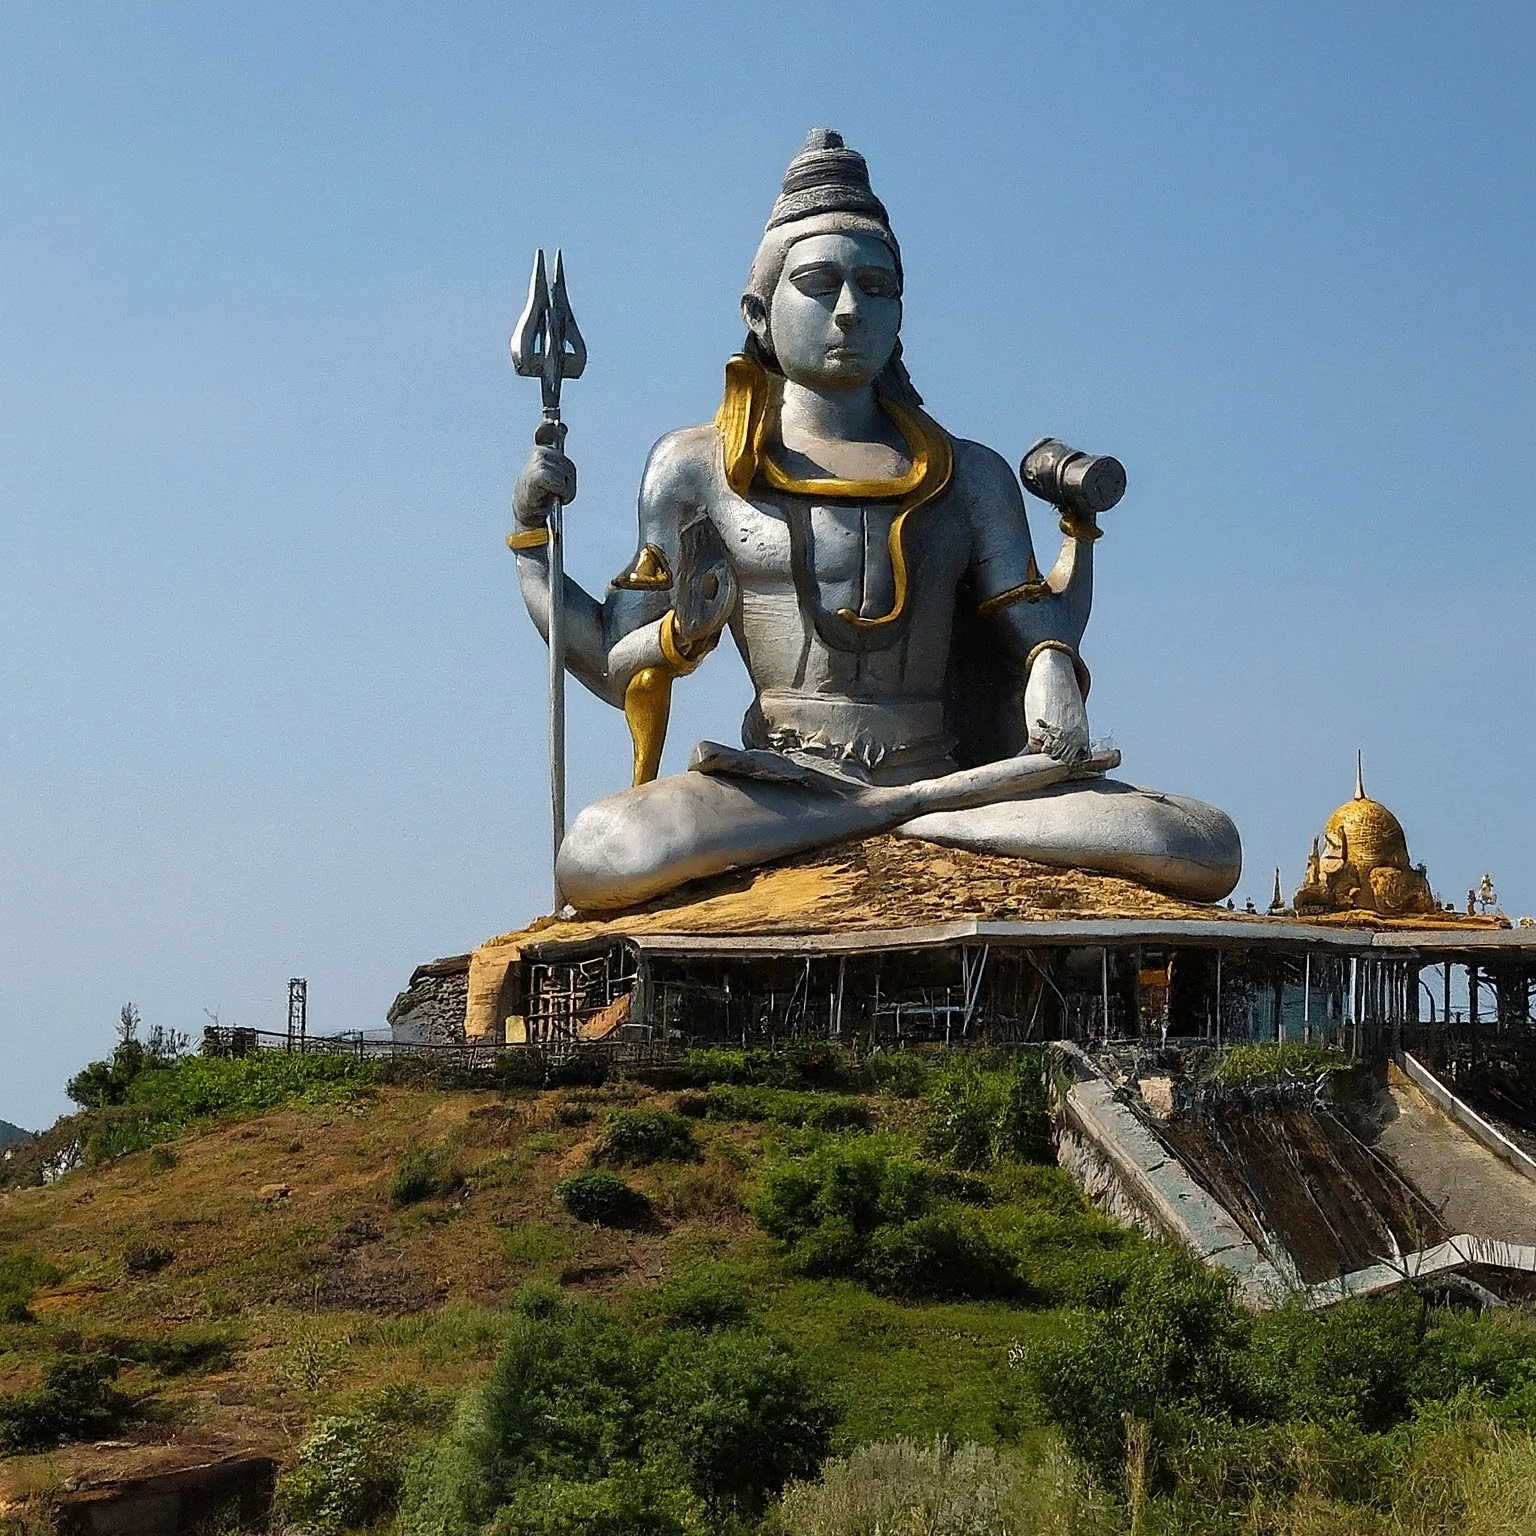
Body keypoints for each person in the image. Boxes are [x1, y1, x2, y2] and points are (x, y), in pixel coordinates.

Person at [510, 130, 1241, 912]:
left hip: (956, 777)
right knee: (600, 849)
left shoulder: (971, 475)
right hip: (783, 782)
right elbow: (614, 660)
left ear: (900, 308)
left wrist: (1050, 665)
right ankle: (889, 819)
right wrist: (534, 545)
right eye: (820, 284)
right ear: (759, 311)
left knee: (1200, 841)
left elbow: (1032, 622)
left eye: (875, 286)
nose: (850, 311)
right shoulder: (697, 468)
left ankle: (895, 814)